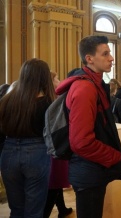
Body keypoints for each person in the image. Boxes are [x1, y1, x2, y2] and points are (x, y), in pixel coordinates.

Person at [55, 35, 121, 218]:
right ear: (89, 59)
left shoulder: (95, 84)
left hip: (91, 169)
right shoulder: (85, 89)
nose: (111, 58)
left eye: (109, 53)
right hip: (88, 172)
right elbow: (81, 142)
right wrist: (114, 156)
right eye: (105, 54)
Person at [0, 58, 56, 217]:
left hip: (8, 152)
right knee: (34, 211)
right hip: (37, 152)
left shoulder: (6, 100)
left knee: (16, 209)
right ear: (44, 77)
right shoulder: (48, 103)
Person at [43, 71, 73, 218]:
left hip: (53, 148)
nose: (59, 80)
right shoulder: (51, 100)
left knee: (57, 182)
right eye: (55, 78)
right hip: (55, 148)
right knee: (54, 184)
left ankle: (62, 209)